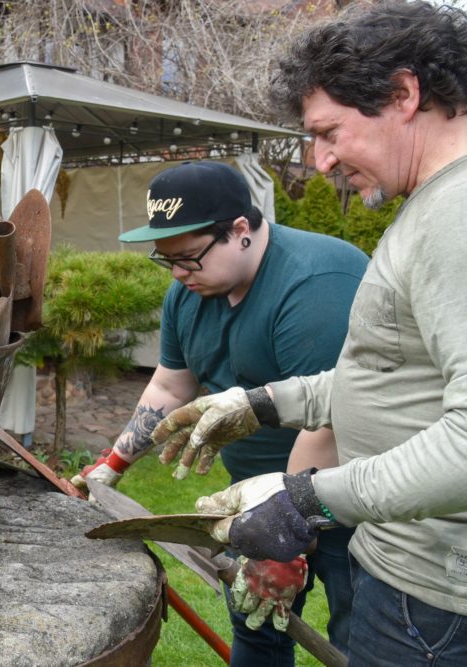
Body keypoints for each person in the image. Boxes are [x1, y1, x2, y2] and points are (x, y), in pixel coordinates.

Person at [151, 3, 467, 665]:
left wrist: (304, 499)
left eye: (328, 132)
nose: (318, 162)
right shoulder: (432, 204)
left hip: (433, 601)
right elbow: (392, 373)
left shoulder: (456, 218)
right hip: (407, 574)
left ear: (404, 94)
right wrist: (264, 403)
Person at [72, 160, 368, 665]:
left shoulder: (316, 285)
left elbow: (326, 424)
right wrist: (113, 466)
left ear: (241, 231)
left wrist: (285, 545)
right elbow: (170, 384)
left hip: (348, 495)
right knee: (255, 629)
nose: (179, 274)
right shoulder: (189, 293)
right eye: (166, 261)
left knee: (359, 638)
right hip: (256, 500)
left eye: (189, 258)